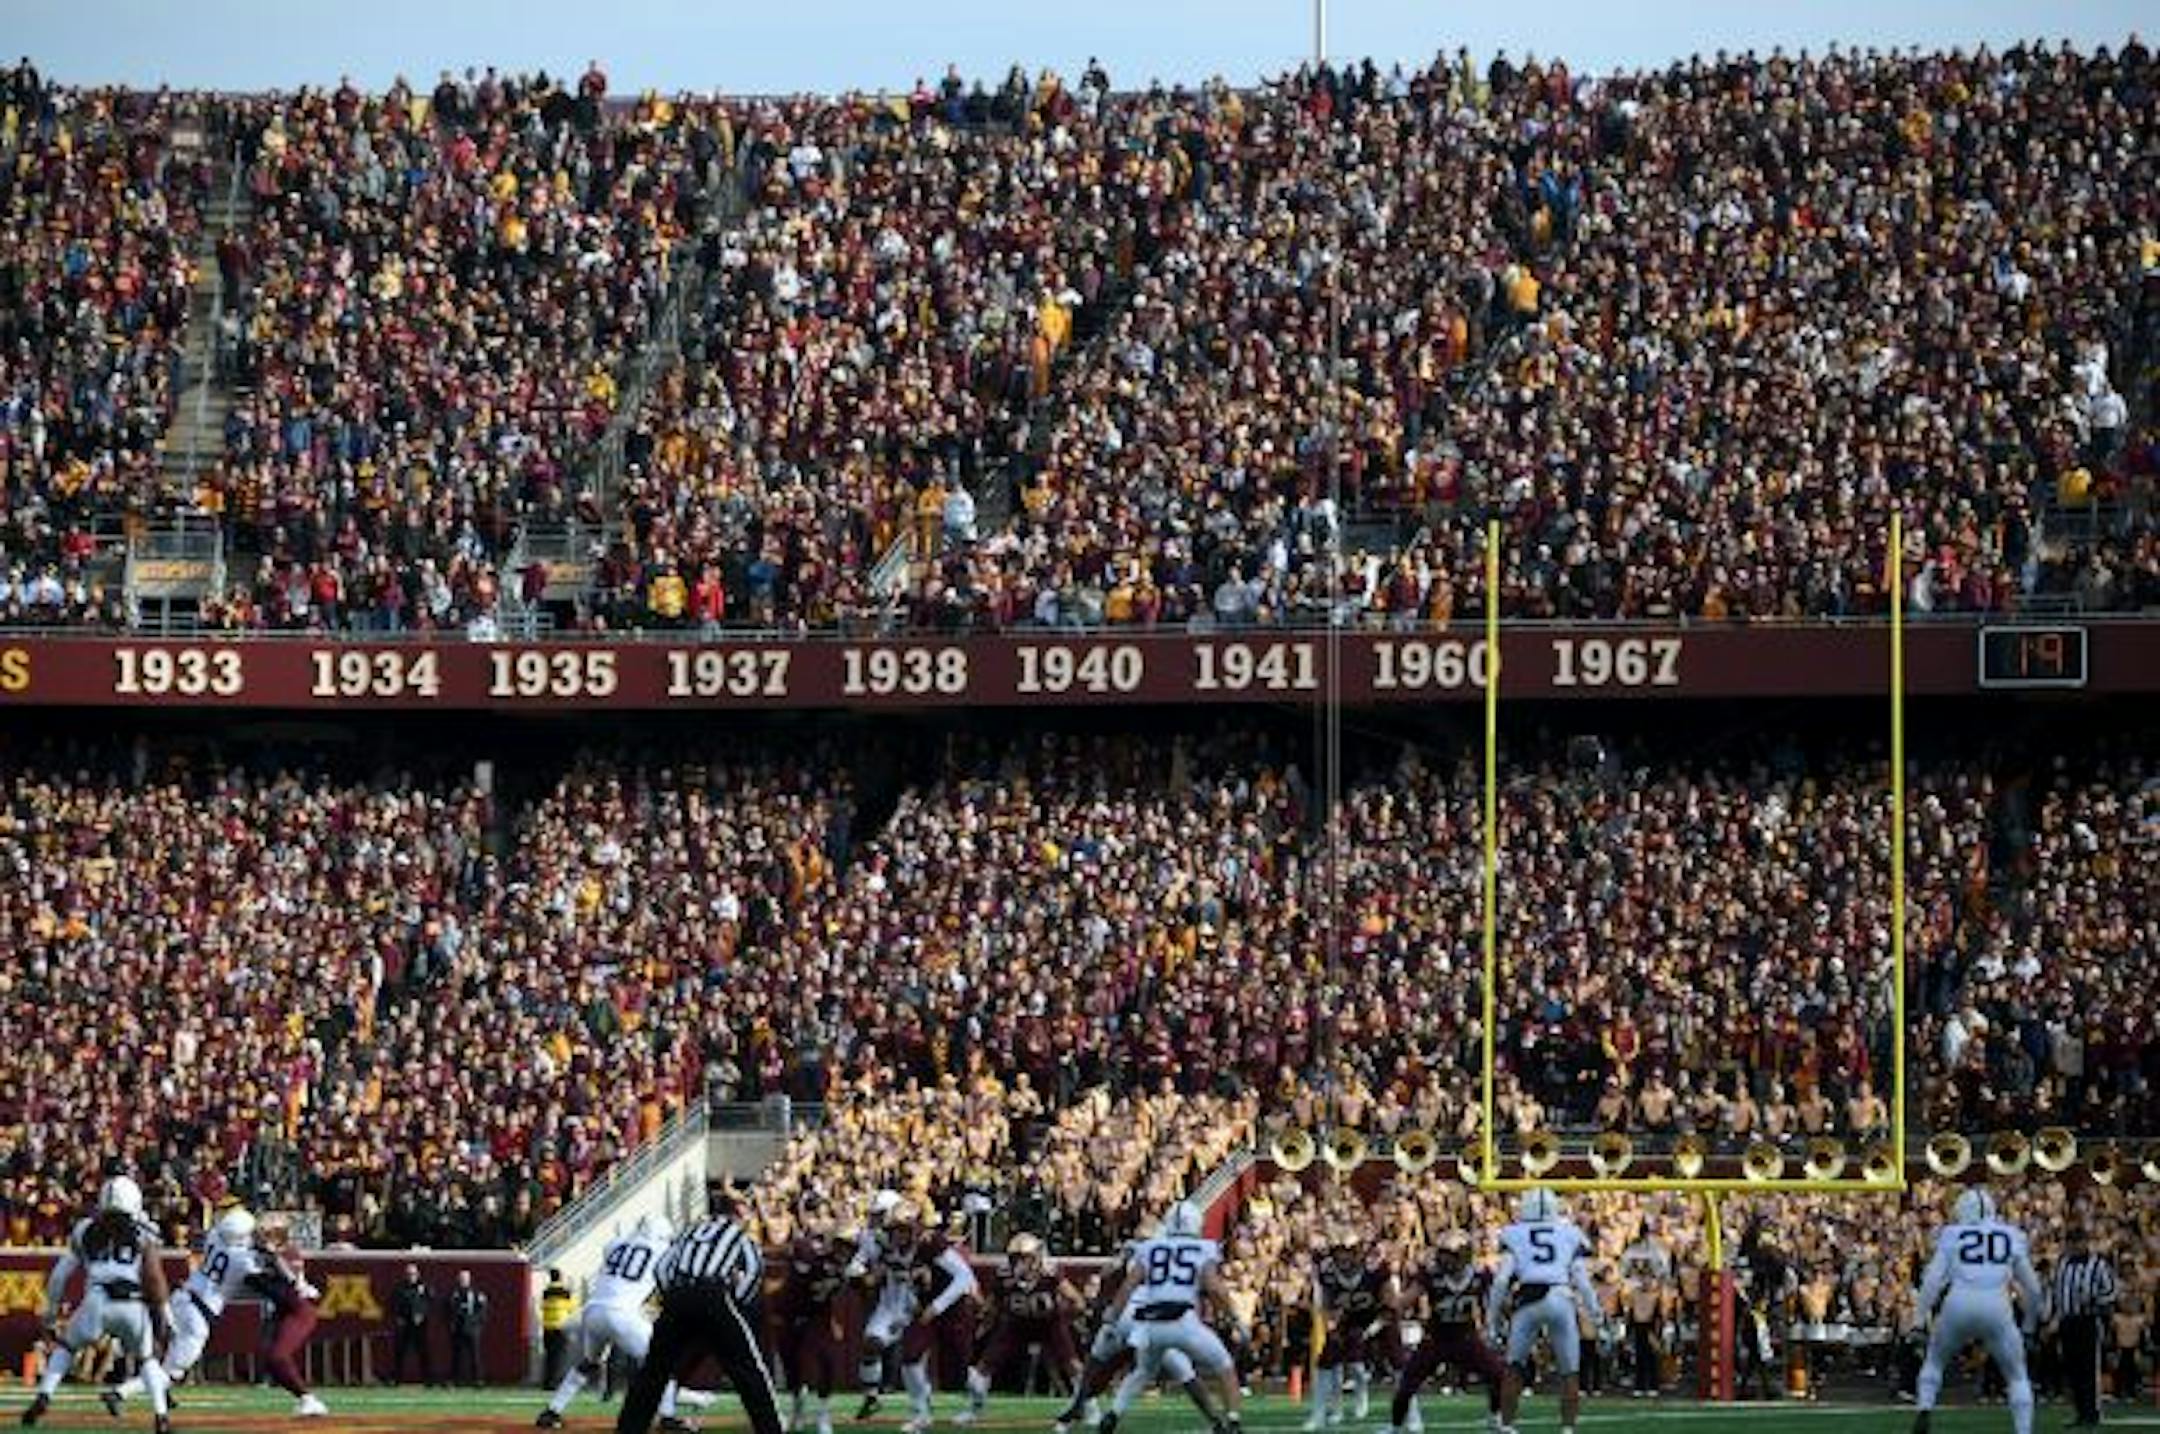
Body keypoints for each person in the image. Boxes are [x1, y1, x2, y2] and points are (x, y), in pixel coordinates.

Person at [615, 1183, 783, 1434]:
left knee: (653, 1372)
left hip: (678, 1296)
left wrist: (673, 1297)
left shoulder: (690, 1231)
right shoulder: (737, 1234)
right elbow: (753, 1270)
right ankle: (770, 1429)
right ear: (736, 1213)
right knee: (748, 1369)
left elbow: (662, 1269)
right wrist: (737, 1302)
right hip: (711, 1296)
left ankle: (629, 1429)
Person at [22, 1176, 174, 1432]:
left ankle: (44, 1395)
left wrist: (51, 1313)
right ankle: (161, 1415)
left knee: (67, 1346)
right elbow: (154, 1278)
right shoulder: (145, 1232)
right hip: (132, 1304)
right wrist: (165, 1312)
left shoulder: (85, 1229)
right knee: (147, 1359)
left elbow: (59, 1275)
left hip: (97, 1301)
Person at [537, 1215, 700, 1431]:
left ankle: (552, 1411)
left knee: (589, 1363)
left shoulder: (616, 1244)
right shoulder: (663, 1250)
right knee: (663, 1360)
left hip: (593, 1310)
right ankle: (667, 1416)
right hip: (622, 1314)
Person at [1096, 1200, 1243, 1434]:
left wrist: (1110, 1321)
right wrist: (1234, 1318)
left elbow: (1127, 1287)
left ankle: (1113, 1414)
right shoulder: (1204, 1248)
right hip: (1183, 1321)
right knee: (1224, 1365)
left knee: (1143, 1371)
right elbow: (1215, 1288)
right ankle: (1233, 1421)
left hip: (1150, 1323)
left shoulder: (1150, 1248)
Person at [1911, 1188, 2044, 1434]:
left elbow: (1932, 1280)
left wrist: (1918, 1320)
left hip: (1958, 1303)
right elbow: (2034, 1288)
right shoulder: (2011, 1235)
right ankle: (2023, 1430)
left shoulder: (1952, 1234)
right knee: (2017, 1375)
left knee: (1934, 1360)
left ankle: (1925, 1406)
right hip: (1997, 1305)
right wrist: (2030, 1325)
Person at [107, 1205, 261, 1413]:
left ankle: (163, 1393)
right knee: (173, 1371)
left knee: (168, 1352)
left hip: (182, 1297)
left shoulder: (215, 1237)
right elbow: (258, 1274)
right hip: (200, 1314)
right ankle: (120, 1393)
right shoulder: (243, 1260)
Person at [1486, 1187, 1602, 1434]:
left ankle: (1506, 1425)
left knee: (1514, 1366)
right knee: (1569, 1370)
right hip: (1561, 1297)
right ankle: (1568, 1428)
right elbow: (1581, 1280)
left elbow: (1501, 1280)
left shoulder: (1513, 1233)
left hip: (1528, 1299)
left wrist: (1491, 1320)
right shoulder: (1570, 1233)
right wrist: (1595, 1311)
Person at [1387, 1231, 1508, 1434]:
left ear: (1463, 1256)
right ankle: (1395, 1427)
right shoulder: (1431, 1274)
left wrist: (1495, 1323)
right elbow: (1406, 1300)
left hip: (1466, 1337)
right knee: (1407, 1383)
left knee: (1498, 1376)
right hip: (1437, 1338)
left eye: (1449, 1256)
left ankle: (1496, 1420)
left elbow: (1495, 1302)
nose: (1443, 1260)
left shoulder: (1479, 1274)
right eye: (1442, 1255)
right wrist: (1393, 1302)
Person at [961, 1233, 1082, 1422]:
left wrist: (1063, 1317)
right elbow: (991, 1305)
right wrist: (982, 1312)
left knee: (1072, 1364)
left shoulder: (1050, 1272)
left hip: (1048, 1323)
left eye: (1025, 1258)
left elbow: (1077, 1301)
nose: (1020, 1263)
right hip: (1016, 1323)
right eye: (1015, 1258)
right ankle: (974, 1410)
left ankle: (1088, 1407)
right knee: (984, 1366)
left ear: (1036, 1257)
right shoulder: (1004, 1274)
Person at [1306, 1235, 1392, 1429]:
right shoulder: (1328, 1272)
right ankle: (1324, 1411)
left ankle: (1362, 1394)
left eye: (1347, 1252)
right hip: (1344, 1319)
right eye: (1339, 1253)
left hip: (1370, 1319)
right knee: (1326, 1363)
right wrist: (1330, 1322)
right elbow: (1325, 1302)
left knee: (1357, 1365)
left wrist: (1373, 1329)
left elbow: (1389, 1304)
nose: (1342, 1257)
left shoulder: (1374, 1270)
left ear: (1357, 1253)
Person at [248, 1216, 330, 1418]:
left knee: (278, 1355)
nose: (261, 1236)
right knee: (270, 1359)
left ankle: (309, 1399)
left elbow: (291, 1278)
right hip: (283, 1309)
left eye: (266, 1233)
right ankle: (305, 1398)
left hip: (300, 1308)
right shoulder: (256, 1254)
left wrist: (273, 1255)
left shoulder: (288, 1252)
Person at [2047, 1223, 2119, 1429]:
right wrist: (2054, 1318)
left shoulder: (2098, 1264)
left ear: (2085, 1242)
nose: (2074, 1246)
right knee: (2072, 1369)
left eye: (2077, 1241)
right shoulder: (2062, 1263)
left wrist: (2094, 1299)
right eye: (2071, 1242)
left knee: (2089, 1369)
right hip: (2067, 1321)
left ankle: (2092, 1414)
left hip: (2088, 1320)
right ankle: (2080, 1412)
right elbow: (2057, 1292)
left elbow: (2112, 1290)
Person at [390, 1263, 437, 1385]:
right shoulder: (400, 1288)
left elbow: (431, 1302)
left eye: (413, 1274)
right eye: (409, 1274)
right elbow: (393, 1304)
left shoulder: (424, 1287)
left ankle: (427, 1379)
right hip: (404, 1325)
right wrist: (399, 1318)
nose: (411, 1276)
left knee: (423, 1352)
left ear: (418, 1274)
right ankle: (397, 1379)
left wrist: (422, 1314)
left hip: (419, 1325)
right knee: (400, 1352)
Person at [450, 1269, 489, 1387]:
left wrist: (476, 1323)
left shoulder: (476, 1293)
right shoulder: (454, 1293)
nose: (463, 1280)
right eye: (461, 1278)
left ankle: (478, 1380)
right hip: (458, 1328)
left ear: (469, 1279)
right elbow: (449, 1309)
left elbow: (482, 1310)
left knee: (475, 1355)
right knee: (457, 1356)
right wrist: (452, 1323)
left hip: (472, 1329)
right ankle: (456, 1380)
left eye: (465, 1278)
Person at [540, 1267, 575, 1388]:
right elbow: (572, 1309)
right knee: (560, 1356)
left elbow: (542, 1307)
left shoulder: (546, 1292)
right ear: (560, 1277)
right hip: (561, 1326)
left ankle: (547, 1381)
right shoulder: (566, 1292)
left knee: (549, 1356)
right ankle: (555, 1382)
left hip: (547, 1326)